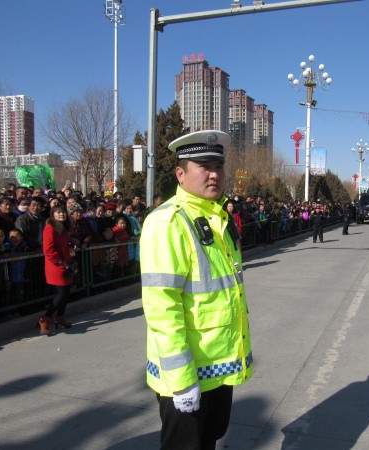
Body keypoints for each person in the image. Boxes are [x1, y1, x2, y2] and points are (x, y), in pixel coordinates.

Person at [140, 130, 253, 450]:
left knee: (208, 442)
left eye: (218, 166)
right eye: (203, 166)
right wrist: (181, 380)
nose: (214, 173)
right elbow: (162, 307)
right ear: (180, 173)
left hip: (218, 366)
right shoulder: (168, 222)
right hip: (187, 373)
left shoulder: (218, 217)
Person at [40, 204, 75, 335]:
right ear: (53, 214)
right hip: (56, 265)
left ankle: (60, 317)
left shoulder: (64, 228)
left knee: (66, 293)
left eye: (63, 212)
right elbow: (48, 249)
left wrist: (72, 246)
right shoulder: (49, 228)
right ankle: (45, 319)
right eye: (58, 212)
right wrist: (60, 261)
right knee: (60, 294)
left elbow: (66, 244)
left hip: (67, 263)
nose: (62, 214)